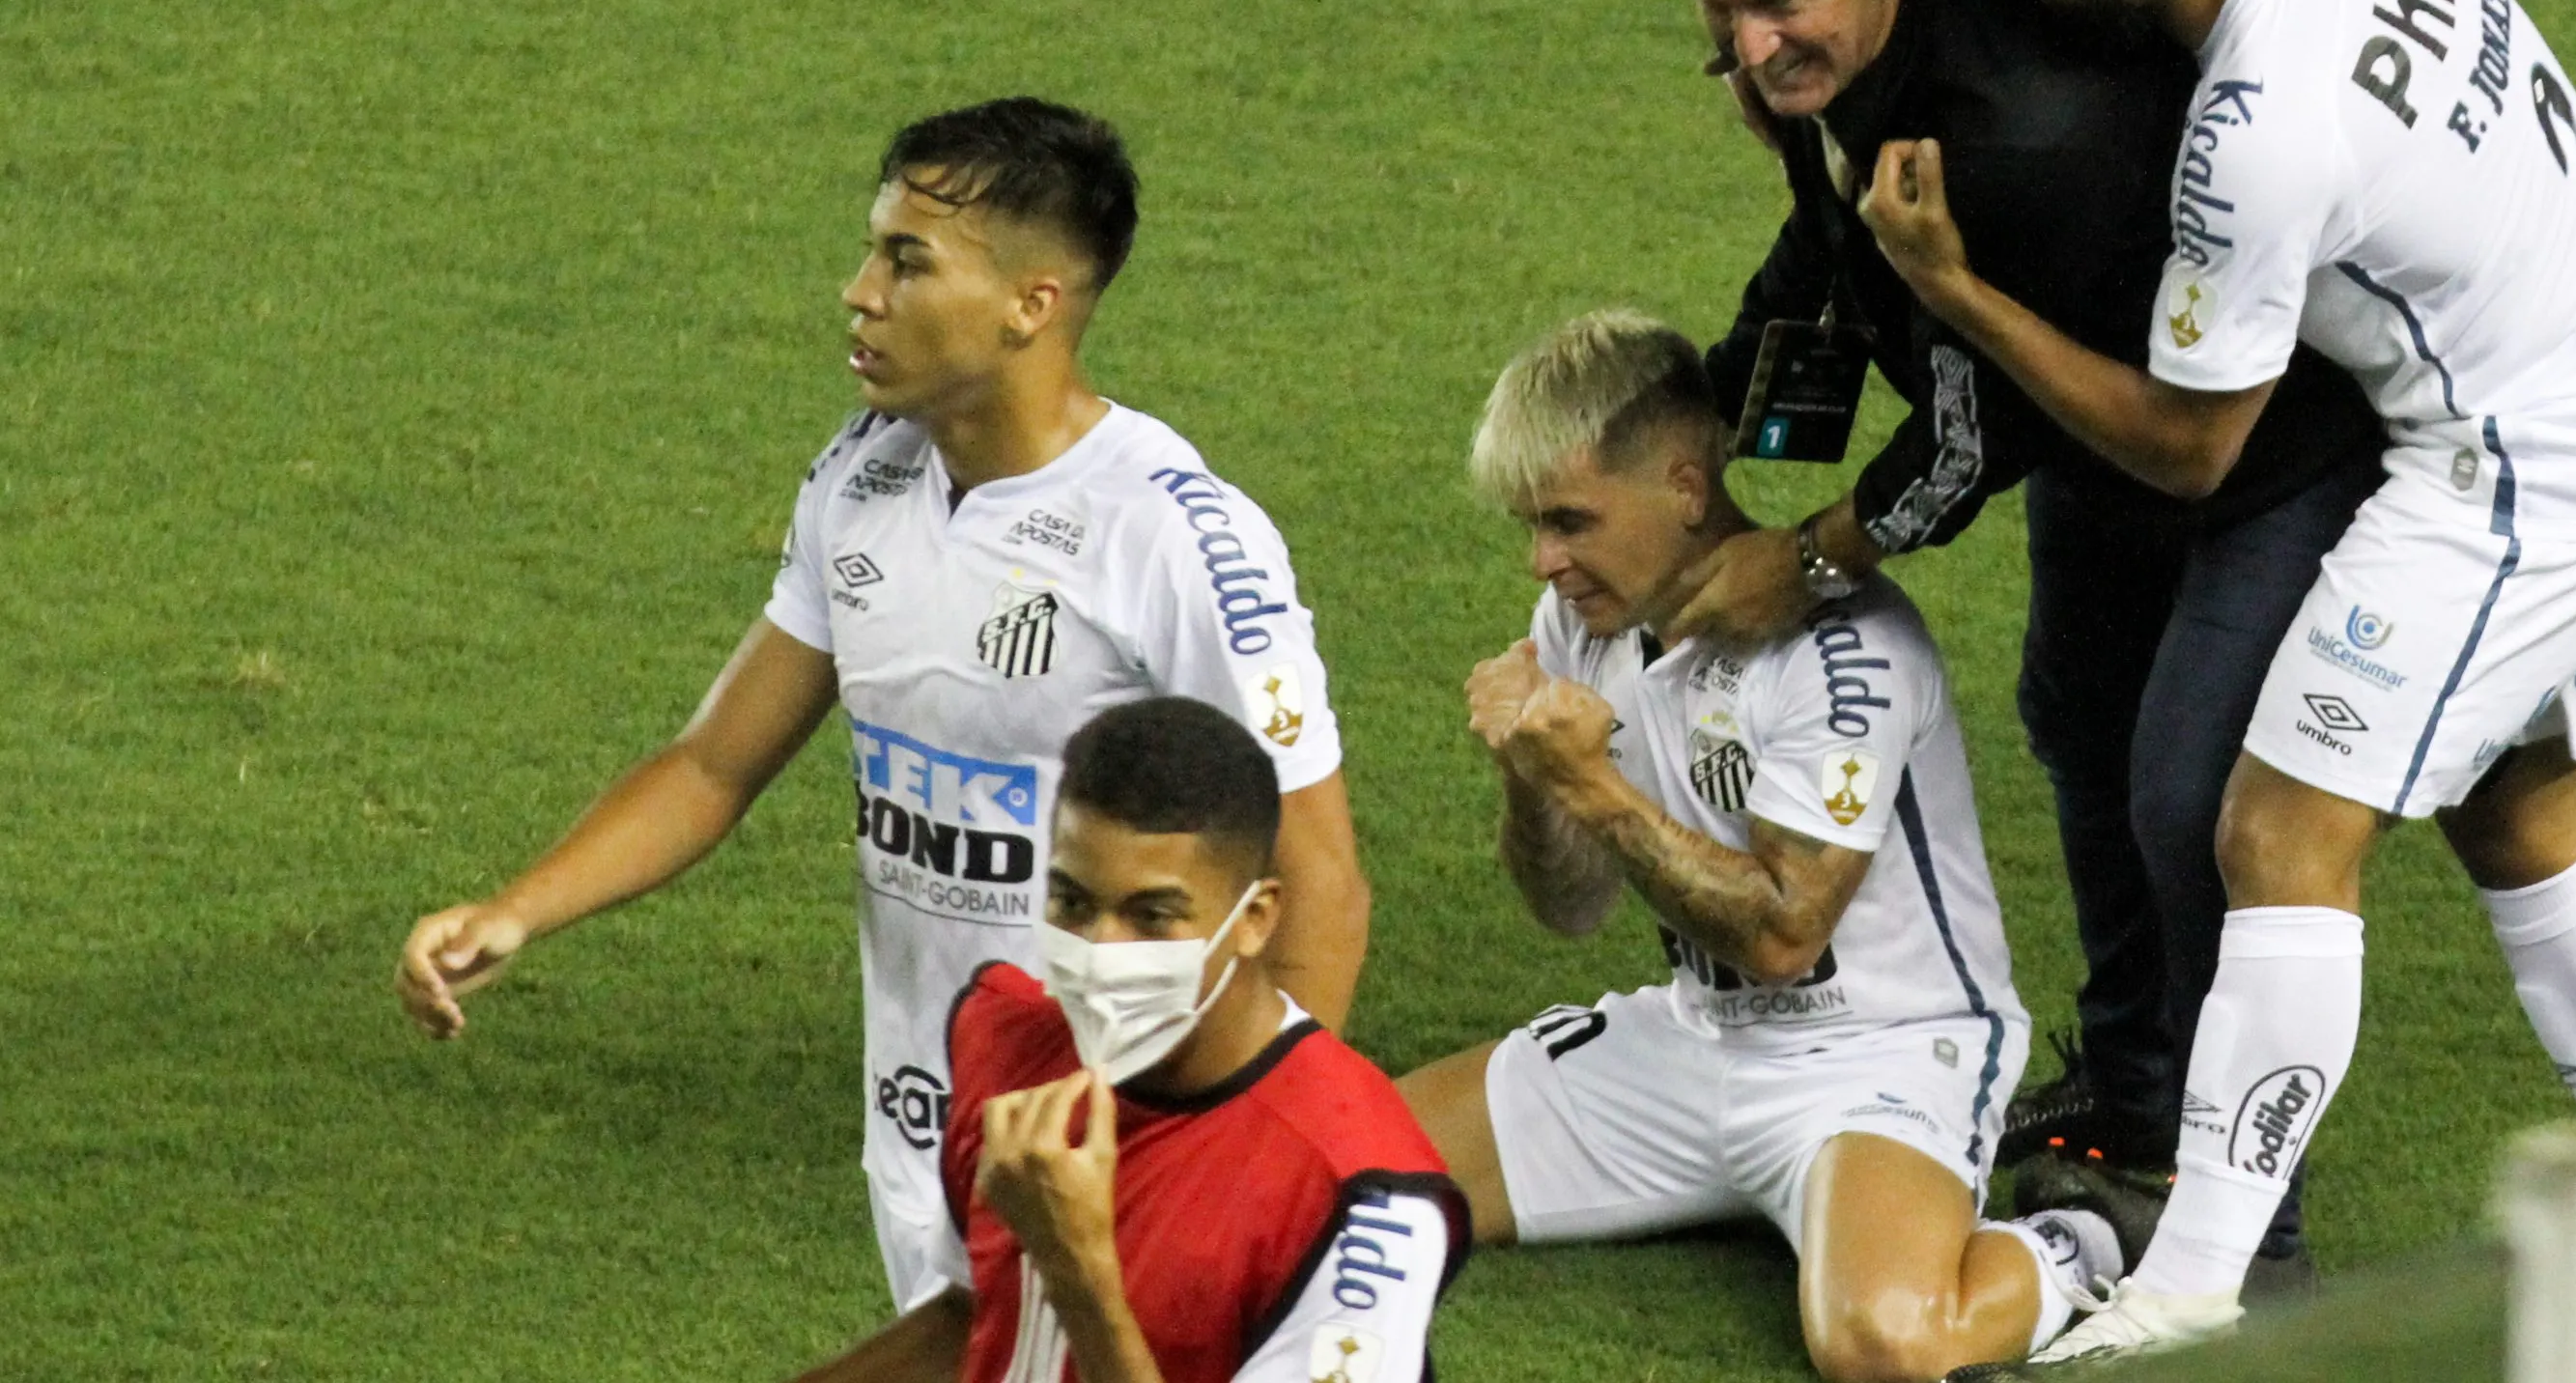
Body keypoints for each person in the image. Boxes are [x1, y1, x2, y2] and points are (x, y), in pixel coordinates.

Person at [1855, 0, 2576, 1360]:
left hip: (2528, 464)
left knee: (2274, 833)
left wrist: (1954, 290)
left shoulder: (2258, 133)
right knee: (2526, 820)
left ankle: (2195, 1286)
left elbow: (2184, 444)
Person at [393, 99, 1368, 1313]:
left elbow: (1316, 873)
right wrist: (515, 913)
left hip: (1122, 1137)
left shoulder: (1174, 539)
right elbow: (713, 764)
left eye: (908, 262)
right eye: (873, 252)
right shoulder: (862, 475)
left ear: (1030, 304)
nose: (859, 293)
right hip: (924, 1119)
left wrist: (1252, 1159)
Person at [1660, 0, 2386, 1257]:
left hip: (2259, 454)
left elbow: (1980, 427)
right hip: (2096, 412)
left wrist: (1808, 560)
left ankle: (2250, 1229)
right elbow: (1844, 237)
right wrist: (1704, 411)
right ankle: (2132, 1093)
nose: (1746, 46)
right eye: (1716, 8)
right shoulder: (1881, 35)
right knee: (2078, 713)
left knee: (2191, 797)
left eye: (1781, 2)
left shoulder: (2016, 131)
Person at [1396, 312, 2123, 1383]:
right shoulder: (1582, 625)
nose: (1543, 562)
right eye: (1533, 525)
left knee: (1886, 1342)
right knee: (1352, 1166)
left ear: (1685, 488)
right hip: (1696, 1039)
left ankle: (2088, 1237)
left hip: (1878, 1054)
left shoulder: (1843, 653)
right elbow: (1570, 908)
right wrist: (1530, 771)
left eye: (1569, 522)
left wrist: (1591, 785)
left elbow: (1786, 935)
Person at [790, 697, 1456, 1383]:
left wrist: (1077, 1271)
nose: (1100, 950)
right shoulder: (1007, 1039)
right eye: (1072, 902)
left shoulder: (1362, 1200)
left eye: (1152, 915)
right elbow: (966, 1320)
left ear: (1255, 918)